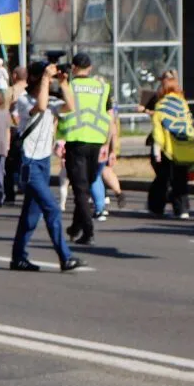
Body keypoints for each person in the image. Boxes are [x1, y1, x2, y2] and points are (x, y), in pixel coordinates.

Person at [10, 62, 84, 272]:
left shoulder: (51, 99)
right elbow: (40, 107)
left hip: (43, 162)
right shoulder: (24, 101)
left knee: (31, 215)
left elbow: (70, 106)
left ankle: (18, 257)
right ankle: (65, 257)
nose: (49, 80)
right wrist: (44, 78)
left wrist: (63, 82)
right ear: (35, 78)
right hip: (29, 163)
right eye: (45, 77)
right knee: (51, 208)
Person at [58, 54, 113, 244]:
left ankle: (88, 230)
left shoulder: (69, 87)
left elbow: (62, 113)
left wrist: (59, 140)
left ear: (73, 68)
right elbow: (109, 116)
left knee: (80, 189)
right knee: (85, 186)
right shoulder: (102, 88)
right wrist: (108, 144)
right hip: (96, 141)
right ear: (90, 68)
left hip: (76, 140)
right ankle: (76, 227)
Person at [149, 72, 194, 219]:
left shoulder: (161, 106)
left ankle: (157, 207)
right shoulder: (183, 104)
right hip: (185, 145)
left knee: (163, 178)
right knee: (181, 179)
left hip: (169, 148)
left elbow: (158, 132)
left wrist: (157, 150)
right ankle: (182, 209)